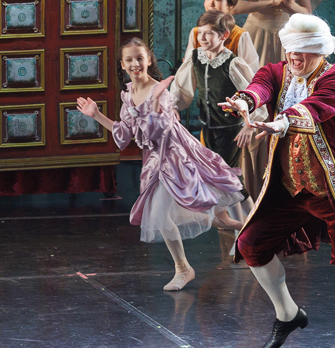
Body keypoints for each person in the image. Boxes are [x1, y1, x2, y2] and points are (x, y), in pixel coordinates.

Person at [221, 14, 335, 348]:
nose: (295, 58)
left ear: (320, 52)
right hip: (290, 187)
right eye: (291, 50)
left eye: (303, 52)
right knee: (250, 244)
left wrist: (282, 120)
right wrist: (245, 102)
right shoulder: (278, 71)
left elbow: (315, 108)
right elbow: (260, 86)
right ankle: (288, 314)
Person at [76, 38, 244, 291]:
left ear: (149, 60)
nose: (135, 63)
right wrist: (97, 115)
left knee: (164, 215)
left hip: (175, 157)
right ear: (122, 65)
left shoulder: (160, 91)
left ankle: (187, 266)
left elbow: (159, 131)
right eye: (129, 59)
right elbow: (125, 134)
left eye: (140, 58)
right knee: (197, 218)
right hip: (154, 160)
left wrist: (154, 103)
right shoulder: (128, 93)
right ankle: (220, 239)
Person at [173, 10, 264, 221]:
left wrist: (249, 125)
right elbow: (181, 87)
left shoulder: (233, 63)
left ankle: (250, 225)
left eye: (209, 33)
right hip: (208, 128)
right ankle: (241, 228)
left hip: (230, 131)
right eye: (200, 33)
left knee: (228, 179)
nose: (203, 38)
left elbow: (253, 95)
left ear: (224, 36)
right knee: (223, 181)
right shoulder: (196, 58)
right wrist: (173, 106)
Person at [184, 0, 260, 71]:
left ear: (230, 4)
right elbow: (188, 68)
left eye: (217, 0)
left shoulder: (239, 35)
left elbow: (251, 71)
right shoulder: (196, 32)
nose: (210, 4)